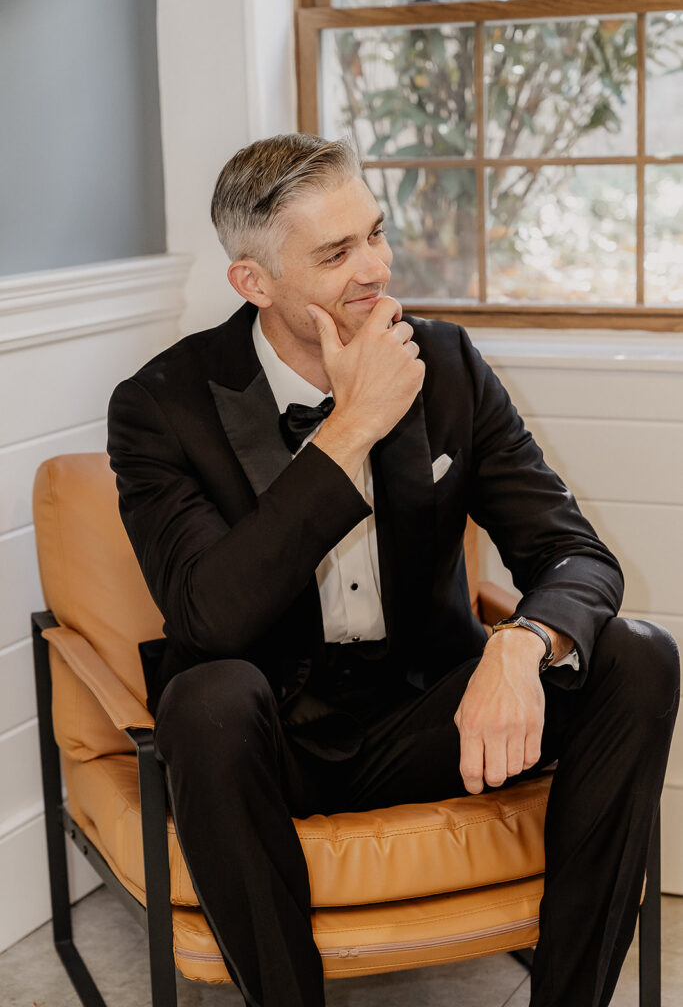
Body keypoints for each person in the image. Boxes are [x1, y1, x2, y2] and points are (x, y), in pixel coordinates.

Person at [107, 133, 679, 1007]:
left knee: (637, 655)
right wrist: (352, 427)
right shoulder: (160, 407)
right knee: (205, 694)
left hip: (426, 716)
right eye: (336, 253)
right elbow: (206, 617)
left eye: (373, 232)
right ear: (254, 283)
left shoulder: (445, 363)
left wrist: (520, 644)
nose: (374, 267)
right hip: (267, 739)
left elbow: (575, 554)